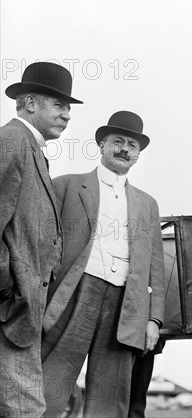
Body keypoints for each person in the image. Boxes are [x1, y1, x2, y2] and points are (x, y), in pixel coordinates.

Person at [41, 111, 165, 418]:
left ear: (138, 154)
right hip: (74, 296)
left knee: (111, 403)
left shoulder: (147, 204)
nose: (124, 149)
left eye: (131, 145)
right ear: (101, 145)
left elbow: (156, 270)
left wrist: (154, 320)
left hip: (124, 307)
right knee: (47, 387)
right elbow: (42, 246)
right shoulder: (66, 186)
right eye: (117, 141)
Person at [0, 62, 82, 418]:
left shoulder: (28, 146)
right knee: (25, 409)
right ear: (30, 103)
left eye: (68, 109)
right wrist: (10, 287)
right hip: (11, 309)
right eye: (59, 105)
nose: (66, 116)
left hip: (21, 310)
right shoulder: (12, 142)